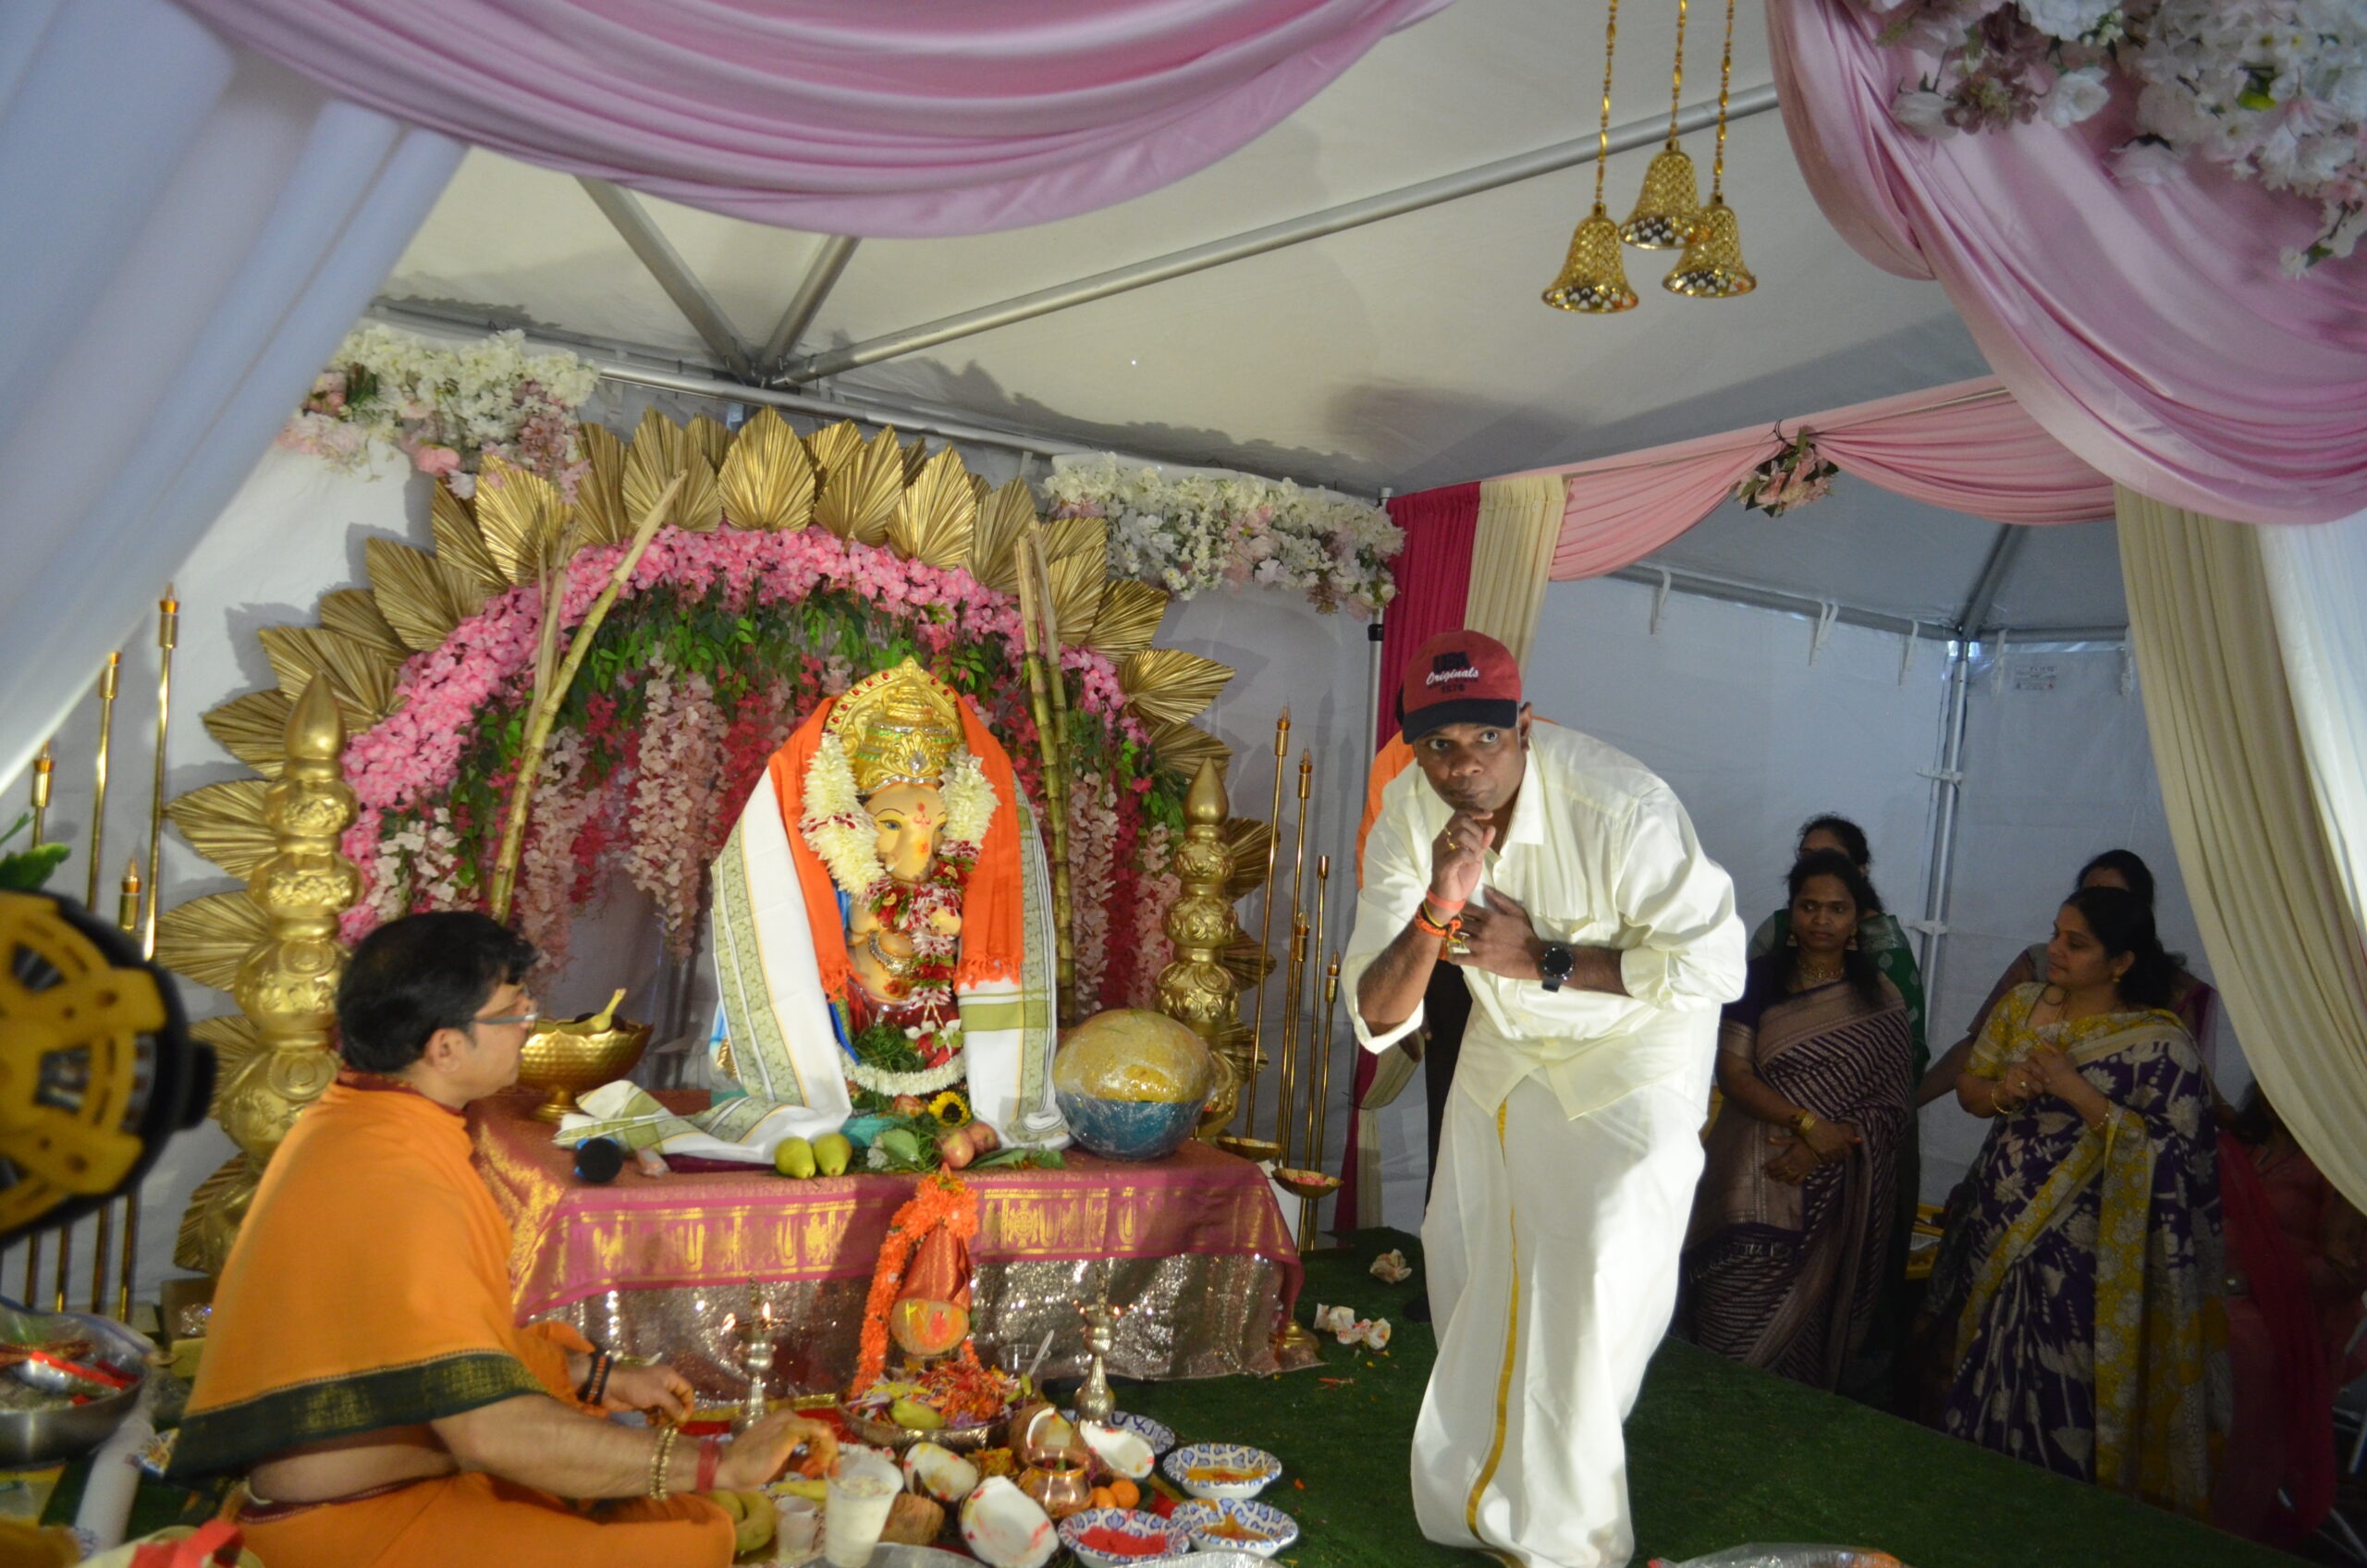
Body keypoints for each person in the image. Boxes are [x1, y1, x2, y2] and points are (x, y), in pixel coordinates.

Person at [170, 912, 840, 1568]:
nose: (529, 1027)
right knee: (690, 1538)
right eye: (513, 1013)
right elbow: (491, 1432)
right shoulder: (397, 1177)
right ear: (445, 1048)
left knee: (652, 1495)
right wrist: (718, 1462)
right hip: (349, 1523)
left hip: (392, 1481)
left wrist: (591, 1375)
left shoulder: (370, 1120)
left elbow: (416, 1332)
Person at [1344, 630, 1745, 1568]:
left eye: (1486, 738)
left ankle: (1569, 1541)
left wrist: (1544, 959)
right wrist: (1440, 903)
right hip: (1509, 1043)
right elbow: (1375, 1014)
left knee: (1597, 1274)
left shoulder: (1623, 805)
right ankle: (1474, 1501)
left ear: (1524, 726)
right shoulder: (1409, 813)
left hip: (1636, 1047)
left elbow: (1716, 966)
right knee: (1465, 1254)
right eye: (1440, 746)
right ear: (1413, 749)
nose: (1464, 766)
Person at [570, 657, 1067, 1162]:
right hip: (860, 1009)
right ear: (853, 823)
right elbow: (835, 937)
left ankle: (930, 1103)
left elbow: (969, 934)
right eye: (891, 825)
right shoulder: (844, 884)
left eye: (939, 829)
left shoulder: (950, 884)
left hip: (929, 1020)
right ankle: (838, 1099)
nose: (919, 851)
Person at [1916, 886, 2225, 1516]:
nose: (2054, 949)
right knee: (1983, 1363)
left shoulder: (2160, 1045)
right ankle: (1972, 1506)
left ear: (2122, 962)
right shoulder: (2021, 1004)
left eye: (2076, 943)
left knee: (2060, 1380)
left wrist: (2072, 1089)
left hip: (2083, 1251)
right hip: (1998, 1224)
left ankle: (2053, 1515)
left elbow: (2177, 1158)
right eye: (2056, 933)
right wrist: (2006, 1090)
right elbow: (1971, 1091)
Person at [1683, 851, 1914, 1390]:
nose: (1821, 920)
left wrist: (1824, 1143)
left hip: (1835, 1200)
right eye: (1809, 906)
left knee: (1806, 1342)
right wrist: (1809, 1125)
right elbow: (1734, 1074)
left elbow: (1891, 1104)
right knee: (1728, 1340)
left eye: (1837, 909)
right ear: (1792, 912)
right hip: (1751, 1184)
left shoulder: (1880, 997)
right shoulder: (1758, 979)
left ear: (1857, 919)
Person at [1919, 848, 2216, 1106]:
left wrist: (2077, 1092)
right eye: (2087, 894)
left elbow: (2182, 1094)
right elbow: (1976, 1058)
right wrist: (1914, 1101)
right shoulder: (2034, 972)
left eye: (2111, 899)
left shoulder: (2172, 994)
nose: (2093, 908)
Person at [2213, 1085, 2367, 1546]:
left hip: (2284, 1320)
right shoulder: (2239, 1145)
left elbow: (2346, 1273)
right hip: (2205, 1291)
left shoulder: (2337, 1162)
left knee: (2236, 1345)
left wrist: (2251, 1280)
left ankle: (2219, 1525)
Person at [1747, 815, 1927, 1083]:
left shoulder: (1884, 942)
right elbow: (1738, 1037)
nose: (1821, 919)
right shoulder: (1776, 928)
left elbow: (1906, 1046)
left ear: (1860, 871)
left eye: (1831, 856)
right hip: (1766, 1094)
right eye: (1807, 856)